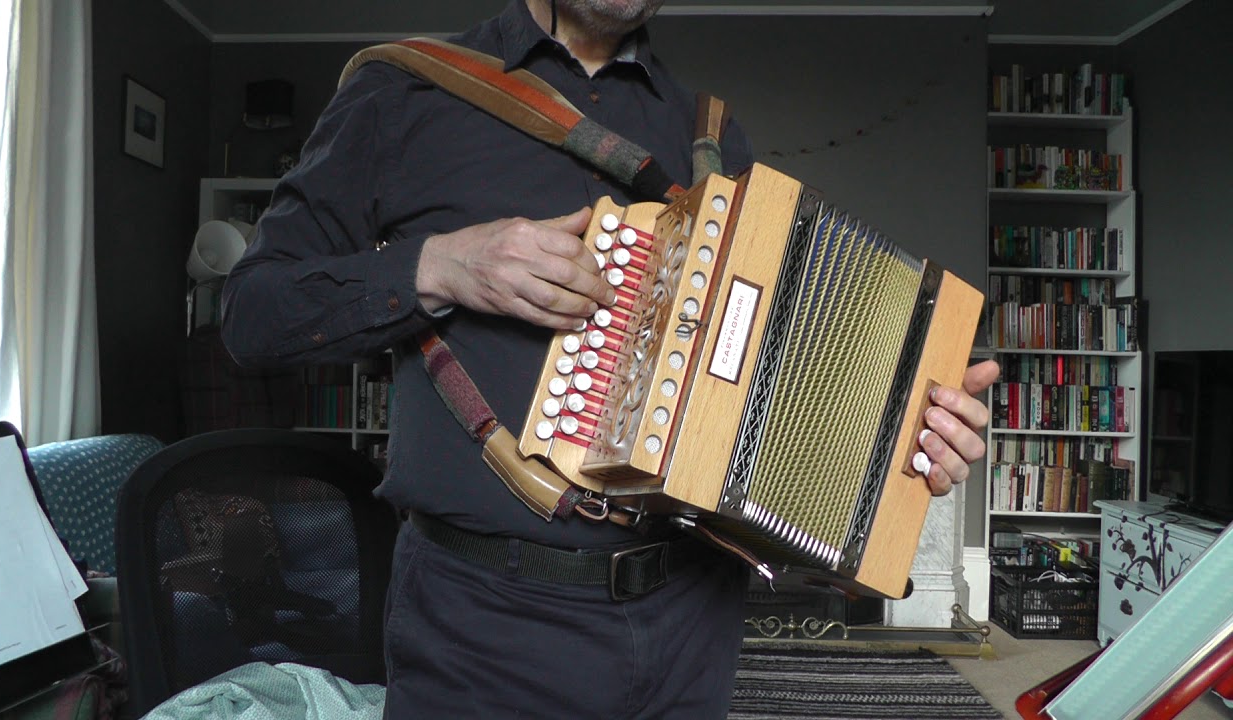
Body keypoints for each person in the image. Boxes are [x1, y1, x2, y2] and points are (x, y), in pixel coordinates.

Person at [221, 0, 1000, 717]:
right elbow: (251, 316)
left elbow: (758, 392)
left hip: (694, 614)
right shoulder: (406, 91)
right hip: (483, 619)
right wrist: (438, 267)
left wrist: (906, 439)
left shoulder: (710, 138)